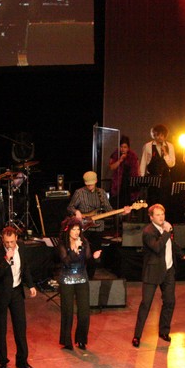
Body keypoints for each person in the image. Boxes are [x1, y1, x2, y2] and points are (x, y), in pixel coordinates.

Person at [132, 204, 185, 347]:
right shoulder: (148, 231)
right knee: (146, 304)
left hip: (168, 270)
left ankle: (164, 331)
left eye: (162, 214)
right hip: (153, 271)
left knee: (170, 301)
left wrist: (181, 253)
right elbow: (157, 247)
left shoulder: (166, 228)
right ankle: (137, 335)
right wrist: (166, 232)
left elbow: (171, 244)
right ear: (151, 217)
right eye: (157, 215)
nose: (161, 217)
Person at [0, 227, 37, 368]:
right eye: (7, 242)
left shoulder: (22, 247)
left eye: (12, 242)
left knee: (20, 327)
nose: (10, 245)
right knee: (0, 330)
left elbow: (25, 267)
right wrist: (6, 260)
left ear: (16, 239)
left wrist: (31, 285)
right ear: (2, 240)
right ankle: (2, 361)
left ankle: (22, 360)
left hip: (16, 292)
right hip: (0, 294)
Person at [57, 217, 100, 350]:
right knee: (68, 311)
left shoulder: (84, 242)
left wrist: (95, 258)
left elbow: (87, 259)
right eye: (74, 229)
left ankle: (81, 340)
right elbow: (66, 261)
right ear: (68, 230)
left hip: (82, 277)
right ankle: (67, 341)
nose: (76, 232)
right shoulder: (63, 244)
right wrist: (74, 251)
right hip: (67, 278)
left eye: (78, 229)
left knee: (84, 311)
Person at [68, 171, 131, 257]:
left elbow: (109, 210)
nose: (90, 186)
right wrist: (76, 211)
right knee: (81, 253)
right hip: (83, 227)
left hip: (98, 228)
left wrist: (122, 213)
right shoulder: (79, 192)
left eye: (91, 184)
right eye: (88, 184)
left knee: (96, 254)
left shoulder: (101, 192)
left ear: (96, 181)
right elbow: (70, 207)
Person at [139, 124, 176, 208]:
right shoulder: (148, 146)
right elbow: (143, 162)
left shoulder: (170, 146)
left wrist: (165, 153)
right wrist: (141, 177)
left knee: (164, 202)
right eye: (156, 135)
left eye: (161, 135)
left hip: (165, 178)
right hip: (152, 177)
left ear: (165, 136)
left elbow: (172, 164)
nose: (159, 138)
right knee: (152, 202)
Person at [108, 135, 140, 209]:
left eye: (125, 147)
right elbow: (111, 167)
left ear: (128, 148)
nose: (123, 149)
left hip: (129, 184)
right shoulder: (115, 154)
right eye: (121, 147)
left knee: (128, 204)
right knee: (117, 204)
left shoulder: (133, 156)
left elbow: (137, 169)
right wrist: (120, 160)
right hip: (118, 184)